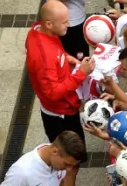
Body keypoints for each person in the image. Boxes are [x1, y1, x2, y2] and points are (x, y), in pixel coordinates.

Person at [25, 1, 93, 141]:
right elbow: (53, 93)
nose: (68, 25)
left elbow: (55, 51)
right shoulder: (44, 56)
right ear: (49, 23)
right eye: (64, 22)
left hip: (65, 108)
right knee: (71, 158)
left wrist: (67, 58)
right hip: (60, 115)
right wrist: (81, 74)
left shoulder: (39, 31)